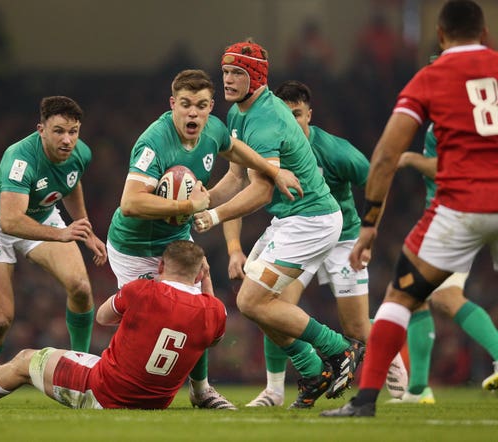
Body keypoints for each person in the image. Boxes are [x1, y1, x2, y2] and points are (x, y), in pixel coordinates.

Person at [321, 0, 498, 418]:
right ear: (485, 34)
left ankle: (365, 401)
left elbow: (385, 155)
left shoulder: (430, 78)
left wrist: (369, 225)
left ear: (439, 35)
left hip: (459, 207)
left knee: (401, 295)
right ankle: (416, 387)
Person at [106, 69, 301, 410]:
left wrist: (272, 171)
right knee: (149, 317)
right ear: (173, 105)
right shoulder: (153, 141)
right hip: (134, 246)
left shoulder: (213, 130)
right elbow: (130, 202)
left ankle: (201, 391)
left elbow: (236, 151)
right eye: (185, 105)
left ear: (211, 106)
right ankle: (122, 384)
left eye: (200, 105)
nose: (192, 113)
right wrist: (188, 204)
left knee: (193, 311)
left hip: (176, 238)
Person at [195, 40, 362, 405]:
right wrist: (202, 199)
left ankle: (338, 350)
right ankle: (314, 371)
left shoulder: (266, 120)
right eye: (225, 72)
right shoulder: (240, 112)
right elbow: (236, 177)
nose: (227, 80)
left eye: (237, 73)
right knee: (264, 306)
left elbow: (259, 191)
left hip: (310, 221)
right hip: (290, 222)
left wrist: (214, 214)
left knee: (252, 301)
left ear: (255, 78)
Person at [231, 80, 407, 409]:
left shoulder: (336, 150)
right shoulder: (269, 144)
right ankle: (276, 389)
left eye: (297, 114)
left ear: (309, 115)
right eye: (284, 113)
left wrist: (369, 233)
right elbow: (240, 180)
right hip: (299, 236)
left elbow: (376, 182)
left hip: (344, 237)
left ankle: (381, 352)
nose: (291, 120)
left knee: (356, 327)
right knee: (271, 306)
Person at [0, 240, 227, 410]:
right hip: (157, 401)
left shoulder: (143, 290)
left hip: (107, 393)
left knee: (26, 359)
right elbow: (210, 338)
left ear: (160, 266)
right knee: (80, 357)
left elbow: (103, 318)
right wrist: (207, 282)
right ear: (201, 274)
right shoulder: (215, 311)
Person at [0, 96, 107, 375]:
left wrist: (84, 226)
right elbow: (10, 221)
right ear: (41, 129)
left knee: (81, 287)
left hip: (43, 216)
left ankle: (81, 366)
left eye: (73, 132)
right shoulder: (20, 159)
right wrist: (61, 234)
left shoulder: (80, 153)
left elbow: (71, 182)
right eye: (58, 131)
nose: (67, 140)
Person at [390, 123, 498, 404]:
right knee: (418, 296)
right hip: (463, 212)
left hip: (456, 217)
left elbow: (449, 170)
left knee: (442, 296)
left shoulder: (449, 120)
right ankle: (417, 389)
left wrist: (413, 159)